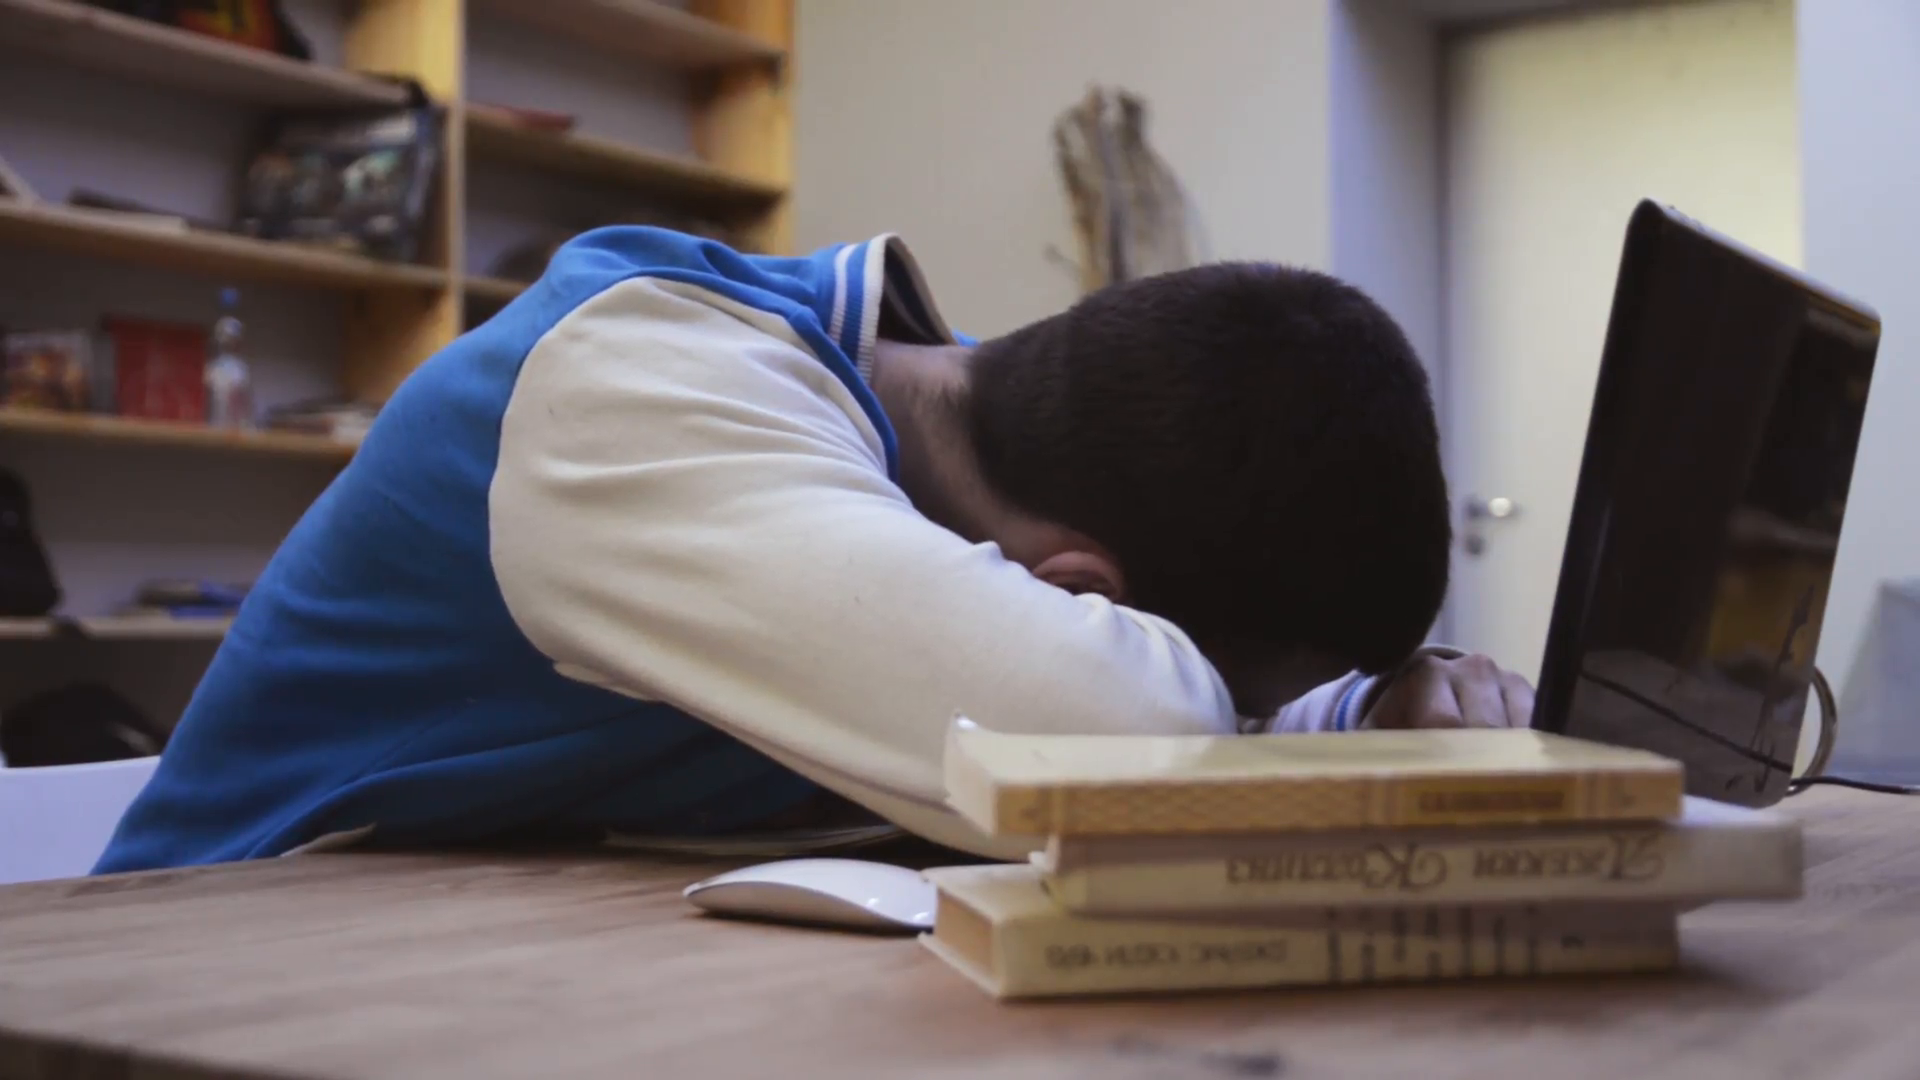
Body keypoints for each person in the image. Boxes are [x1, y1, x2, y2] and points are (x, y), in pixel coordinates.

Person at [94, 228, 1533, 872]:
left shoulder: (985, 421)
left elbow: (1134, 693)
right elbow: (1097, 741)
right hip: (186, 1002)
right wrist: (1282, 713)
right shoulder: (635, 389)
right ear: (1079, 589)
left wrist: (1382, 702)